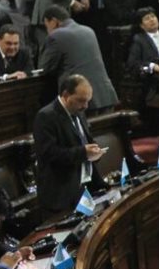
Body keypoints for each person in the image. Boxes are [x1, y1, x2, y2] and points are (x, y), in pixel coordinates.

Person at [33, 74, 106, 220]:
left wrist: (95, 151)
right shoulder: (46, 116)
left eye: (87, 101)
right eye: (81, 101)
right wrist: (84, 153)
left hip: (82, 188)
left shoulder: (78, 111)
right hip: (60, 195)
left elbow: (87, 141)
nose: (85, 106)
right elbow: (49, 154)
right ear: (66, 95)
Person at [40, 5, 118, 111]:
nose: (47, 30)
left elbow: (45, 69)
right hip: (105, 95)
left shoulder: (56, 36)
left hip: (80, 100)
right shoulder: (88, 30)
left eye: (46, 26)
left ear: (53, 21)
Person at [126, 10, 159, 103]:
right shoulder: (138, 40)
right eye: (147, 18)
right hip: (155, 79)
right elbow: (133, 64)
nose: (152, 20)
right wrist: (152, 66)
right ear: (141, 25)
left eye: (153, 16)